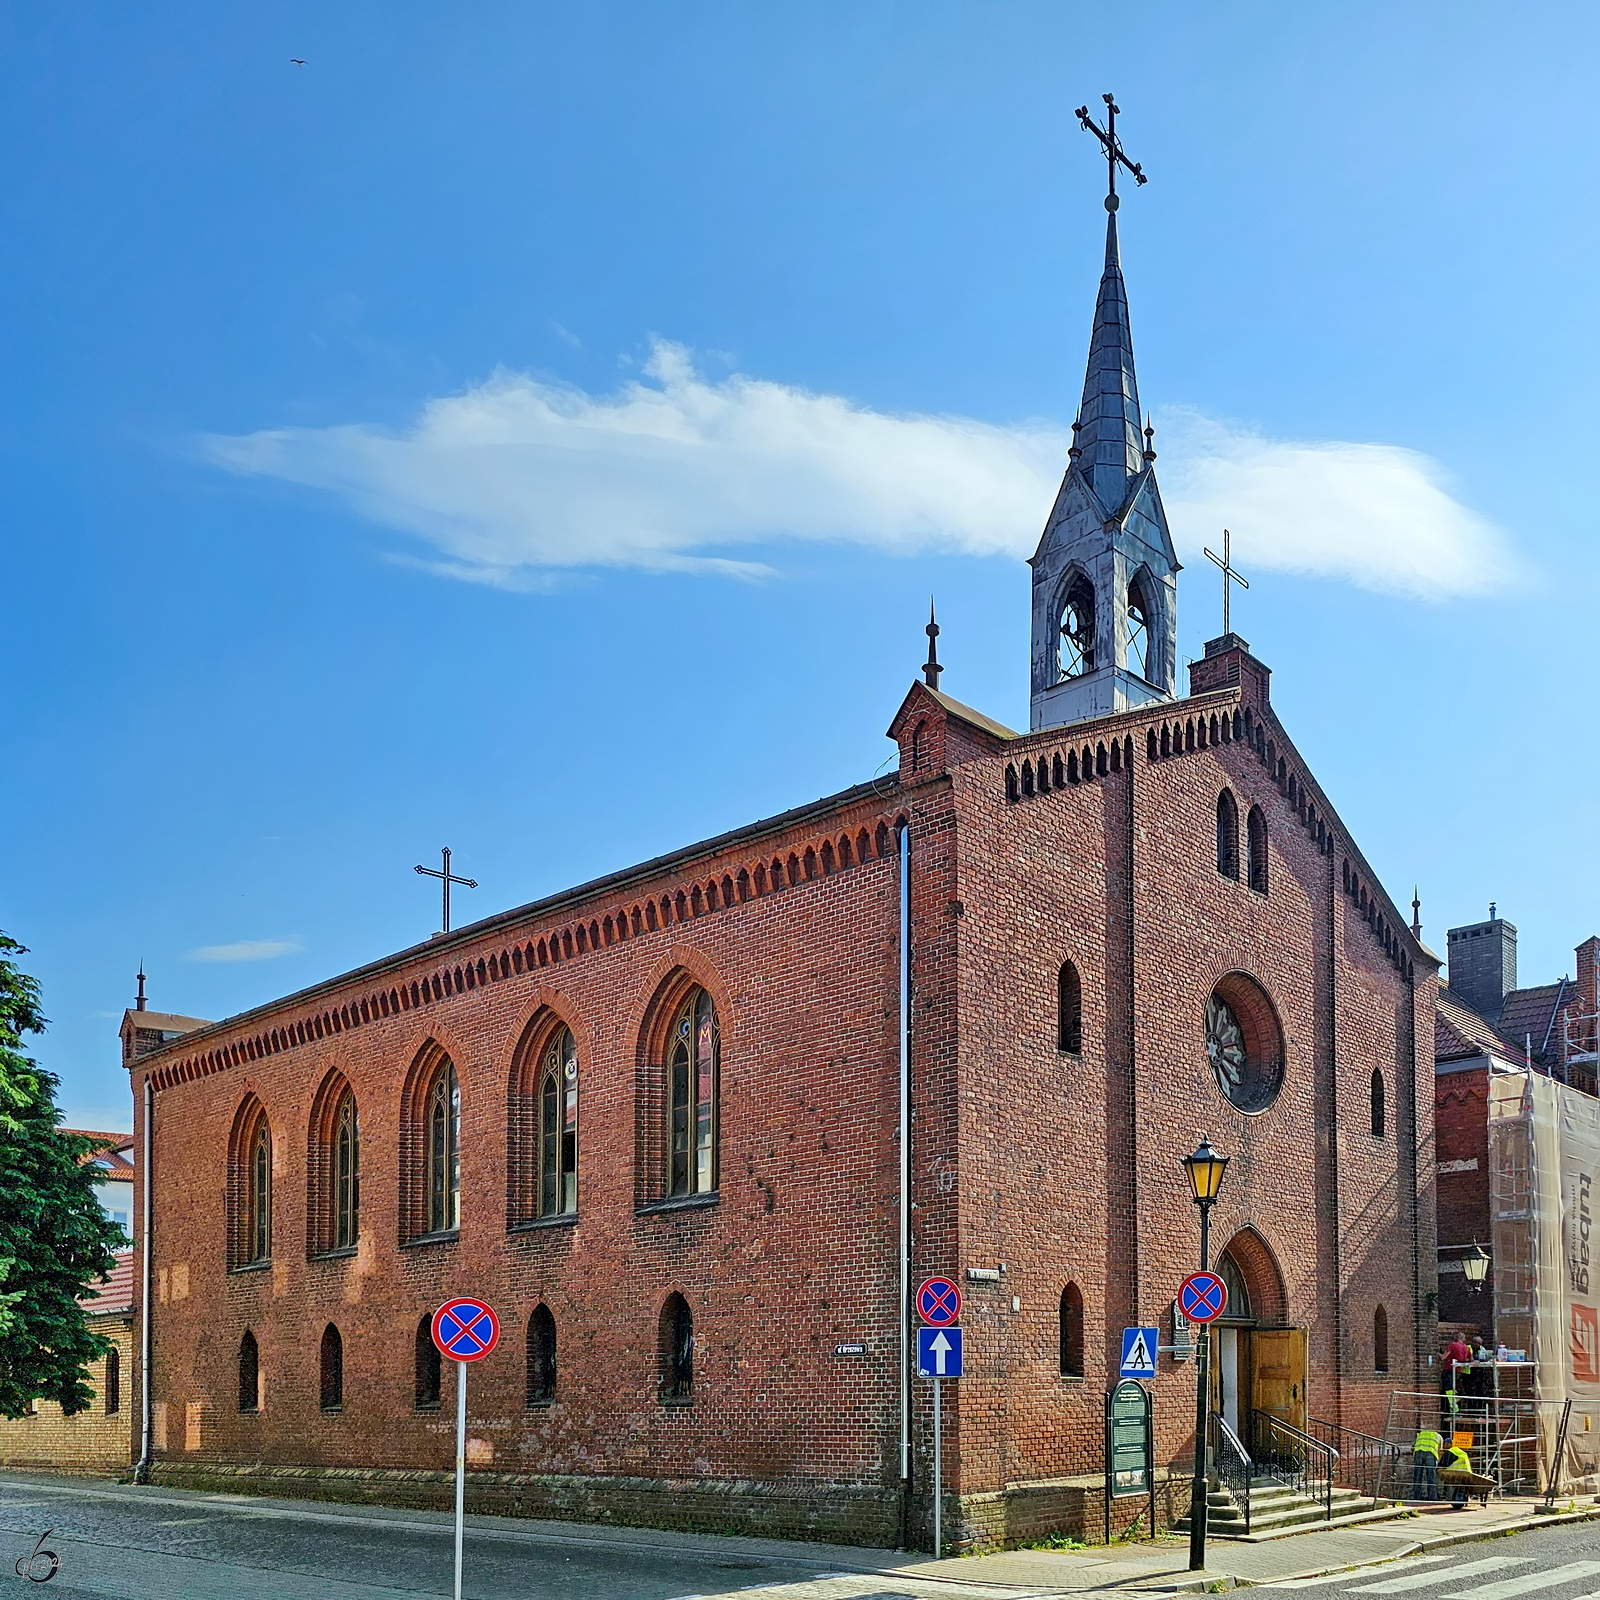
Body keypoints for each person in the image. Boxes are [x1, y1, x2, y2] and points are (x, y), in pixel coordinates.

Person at [1412, 1428, 1441, 1500]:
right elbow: (1440, 1450)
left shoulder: (1421, 1434)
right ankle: (1432, 1497)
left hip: (1418, 1452)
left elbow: (1413, 1447)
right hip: (1430, 1453)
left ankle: (1417, 1497)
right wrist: (1438, 1461)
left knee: (1417, 1475)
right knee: (1431, 1475)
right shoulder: (1438, 1436)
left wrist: (1414, 1457)